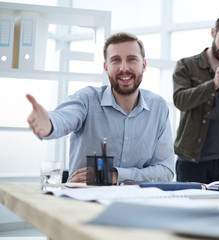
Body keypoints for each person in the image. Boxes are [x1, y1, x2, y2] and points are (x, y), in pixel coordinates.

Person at [26, 32, 174, 184]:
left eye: (131, 59)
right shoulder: (87, 99)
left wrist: (115, 176)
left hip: (136, 203)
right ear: (106, 67)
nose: (124, 68)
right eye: (116, 60)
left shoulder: (158, 107)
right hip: (85, 202)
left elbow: (165, 170)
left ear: (143, 65)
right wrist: (49, 124)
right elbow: (64, 117)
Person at [172, 15, 219, 184]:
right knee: (189, 210)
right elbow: (180, 101)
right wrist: (213, 84)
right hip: (192, 160)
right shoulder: (186, 65)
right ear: (213, 32)